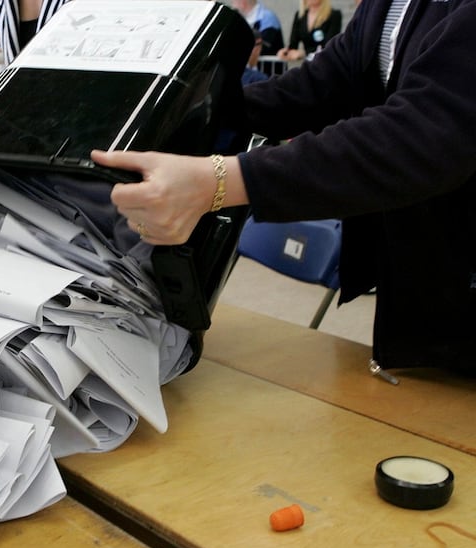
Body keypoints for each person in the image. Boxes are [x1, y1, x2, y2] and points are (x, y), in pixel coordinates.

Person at [92, 0, 476, 375]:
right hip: (426, 285)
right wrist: (175, 114)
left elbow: (425, 133)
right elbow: (319, 86)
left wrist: (223, 180)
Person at [278, 0, 343, 61]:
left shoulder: (334, 15)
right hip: (308, 65)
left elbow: (328, 44)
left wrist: (304, 53)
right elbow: (293, 43)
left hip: (325, 62)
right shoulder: (300, 15)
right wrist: (286, 51)